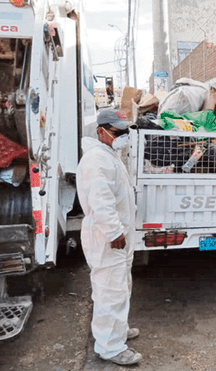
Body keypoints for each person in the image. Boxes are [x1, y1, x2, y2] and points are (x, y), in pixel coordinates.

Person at [76, 109, 142, 366]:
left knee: (120, 286)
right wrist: (114, 232)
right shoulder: (96, 160)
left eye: (126, 131)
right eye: (118, 132)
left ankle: (117, 330)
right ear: (101, 131)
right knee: (110, 291)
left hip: (117, 234)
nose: (123, 136)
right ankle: (110, 347)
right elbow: (100, 200)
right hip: (107, 237)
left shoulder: (108, 154)